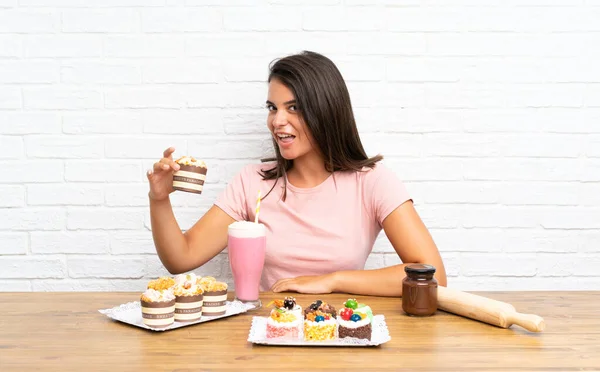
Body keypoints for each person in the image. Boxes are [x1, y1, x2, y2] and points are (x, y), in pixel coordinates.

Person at [147, 51, 447, 297]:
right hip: (267, 332)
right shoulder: (252, 182)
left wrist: (332, 281)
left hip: (338, 334)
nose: (278, 120)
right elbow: (181, 258)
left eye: (294, 107)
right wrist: (159, 199)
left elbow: (432, 274)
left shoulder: (372, 182)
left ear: (326, 111)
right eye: (272, 107)